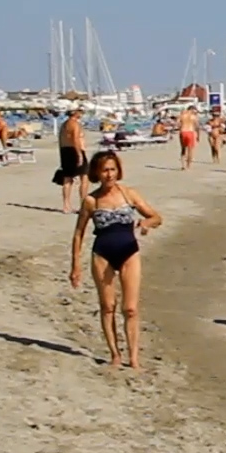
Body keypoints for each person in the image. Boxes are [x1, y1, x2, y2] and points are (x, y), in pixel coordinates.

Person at [68, 151, 162, 368]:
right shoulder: (91, 201)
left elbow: (156, 217)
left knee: (130, 308)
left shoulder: (129, 194)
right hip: (102, 254)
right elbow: (78, 234)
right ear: (97, 173)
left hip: (129, 252)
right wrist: (75, 266)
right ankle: (115, 355)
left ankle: (134, 358)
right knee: (108, 306)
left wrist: (146, 225)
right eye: (105, 170)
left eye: (112, 169)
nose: (109, 174)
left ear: (118, 170)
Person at [54, 107, 87, 212]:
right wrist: (79, 154)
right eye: (80, 112)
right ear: (76, 113)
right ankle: (83, 204)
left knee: (67, 178)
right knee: (84, 177)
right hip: (75, 150)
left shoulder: (64, 125)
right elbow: (75, 139)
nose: (82, 114)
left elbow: (62, 140)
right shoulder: (75, 124)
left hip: (65, 151)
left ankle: (66, 205)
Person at [177, 104, 200, 169]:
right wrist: (198, 136)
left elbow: (177, 123)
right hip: (190, 132)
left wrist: (180, 127)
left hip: (183, 132)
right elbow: (197, 127)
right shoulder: (194, 116)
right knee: (190, 150)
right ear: (192, 110)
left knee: (183, 149)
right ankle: (188, 166)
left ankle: (183, 165)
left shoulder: (182, 115)